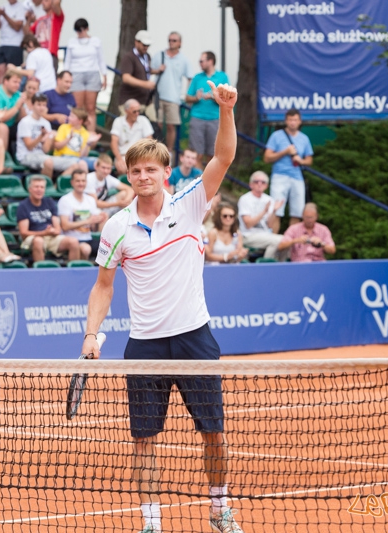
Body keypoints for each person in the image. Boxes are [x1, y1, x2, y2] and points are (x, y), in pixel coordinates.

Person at [81, 81, 242, 533]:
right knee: (144, 441)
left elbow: (223, 158)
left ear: (165, 173)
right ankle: (151, 523)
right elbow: (102, 287)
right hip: (144, 346)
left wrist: (226, 110)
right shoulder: (116, 228)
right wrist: (92, 333)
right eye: (136, 171)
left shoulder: (190, 205)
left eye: (152, 170)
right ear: (129, 176)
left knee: (214, 434)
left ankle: (219, 508)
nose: (144, 177)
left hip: (194, 338)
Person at [263, 108, 314, 228]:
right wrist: (285, 152)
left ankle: (291, 244)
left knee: (297, 212)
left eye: (295, 120)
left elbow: (309, 160)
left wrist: (301, 160)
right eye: (290, 120)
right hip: (279, 176)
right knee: (276, 211)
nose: (292, 123)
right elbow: (267, 158)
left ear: (300, 121)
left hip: (297, 177)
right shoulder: (276, 136)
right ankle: (273, 242)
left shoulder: (304, 138)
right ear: (286, 121)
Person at [16, 93, 86, 177]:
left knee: (74, 165)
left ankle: (57, 187)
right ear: (32, 105)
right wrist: (41, 136)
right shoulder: (25, 122)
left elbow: (45, 150)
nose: (41, 107)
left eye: (44, 105)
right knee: (48, 162)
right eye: (38, 104)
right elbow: (29, 146)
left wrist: (50, 137)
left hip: (42, 155)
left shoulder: (46, 123)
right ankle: (48, 188)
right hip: (26, 156)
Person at [17, 175, 81, 262]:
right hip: (33, 237)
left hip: (50, 236)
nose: (39, 189)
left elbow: (57, 228)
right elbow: (24, 233)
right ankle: (40, 274)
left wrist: (54, 231)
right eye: (36, 187)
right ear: (30, 189)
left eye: (42, 187)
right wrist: (43, 233)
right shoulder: (23, 206)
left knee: (73, 242)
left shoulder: (49, 202)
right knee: (38, 241)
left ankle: (74, 273)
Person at [151, 32, 191, 164]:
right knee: (157, 125)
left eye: (174, 40)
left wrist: (186, 94)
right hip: (158, 96)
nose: (171, 42)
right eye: (169, 40)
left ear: (180, 43)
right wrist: (158, 70)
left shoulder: (184, 59)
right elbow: (149, 70)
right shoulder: (160, 55)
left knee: (170, 127)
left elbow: (189, 77)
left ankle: (168, 152)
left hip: (173, 98)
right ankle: (156, 150)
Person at [185, 51, 229, 169]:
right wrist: (196, 98)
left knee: (212, 154)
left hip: (215, 119)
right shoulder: (197, 77)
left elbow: (227, 98)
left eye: (202, 61)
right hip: (197, 118)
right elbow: (187, 97)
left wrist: (214, 97)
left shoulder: (222, 77)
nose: (200, 63)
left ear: (210, 61)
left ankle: (209, 184)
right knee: (196, 154)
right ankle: (199, 183)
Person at [66, 18, 107, 132]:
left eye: (82, 30)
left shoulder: (96, 41)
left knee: (90, 108)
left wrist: (104, 75)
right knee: (78, 108)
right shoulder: (72, 42)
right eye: (78, 30)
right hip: (76, 74)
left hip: (92, 74)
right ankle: (76, 134)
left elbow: (101, 59)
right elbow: (67, 61)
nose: (80, 33)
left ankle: (91, 134)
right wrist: (66, 75)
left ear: (87, 29)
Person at [58, 168, 107, 259]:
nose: (81, 184)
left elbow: (92, 225)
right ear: (72, 182)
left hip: (88, 237)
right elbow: (65, 226)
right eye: (78, 181)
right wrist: (87, 221)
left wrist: (100, 219)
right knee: (86, 249)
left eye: (83, 181)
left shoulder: (91, 200)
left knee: (109, 247)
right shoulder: (65, 200)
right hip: (72, 239)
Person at [237, 171, 287, 260]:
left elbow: (270, 225)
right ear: (250, 184)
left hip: (265, 235)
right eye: (256, 182)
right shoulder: (245, 199)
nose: (260, 184)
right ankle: (267, 266)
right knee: (279, 240)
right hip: (248, 235)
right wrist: (264, 211)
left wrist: (274, 211)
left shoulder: (269, 199)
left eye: (263, 182)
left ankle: (278, 265)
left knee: (288, 241)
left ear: (266, 186)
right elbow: (248, 224)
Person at [0, 69, 27, 153]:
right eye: (15, 82)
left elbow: (23, 119)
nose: (17, 85)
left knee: (27, 125)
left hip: (12, 126)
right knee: (2, 127)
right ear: (6, 81)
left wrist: (21, 107)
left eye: (19, 83)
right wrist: (16, 107)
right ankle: (3, 158)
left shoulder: (18, 95)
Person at [118, 30, 156, 121]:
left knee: (153, 123)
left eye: (148, 45)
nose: (146, 47)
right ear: (136, 42)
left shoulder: (147, 56)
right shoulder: (129, 57)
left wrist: (157, 71)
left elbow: (144, 70)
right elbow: (126, 78)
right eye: (144, 45)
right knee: (129, 125)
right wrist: (145, 84)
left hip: (145, 100)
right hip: (130, 100)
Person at [110, 99, 153, 175]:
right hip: (123, 156)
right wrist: (119, 159)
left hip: (141, 156)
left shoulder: (143, 120)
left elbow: (150, 141)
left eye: (138, 111)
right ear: (126, 111)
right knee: (124, 168)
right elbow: (113, 143)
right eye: (134, 111)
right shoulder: (118, 121)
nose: (137, 113)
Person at [0, 0, 27, 84]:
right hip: (3, 44)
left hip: (15, 44)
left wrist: (4, 15)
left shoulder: (21, 7)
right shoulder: (3, 7)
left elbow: (17, 27)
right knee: (0, 71)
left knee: (12, 73)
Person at [29, 0, 64, 68]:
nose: (42, 2)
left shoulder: (57, 16)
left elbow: (56, 2)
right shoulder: (39, 20)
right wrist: (28, 20)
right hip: (37, 55)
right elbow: (28, 34)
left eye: (46, 1)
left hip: (50, 54)